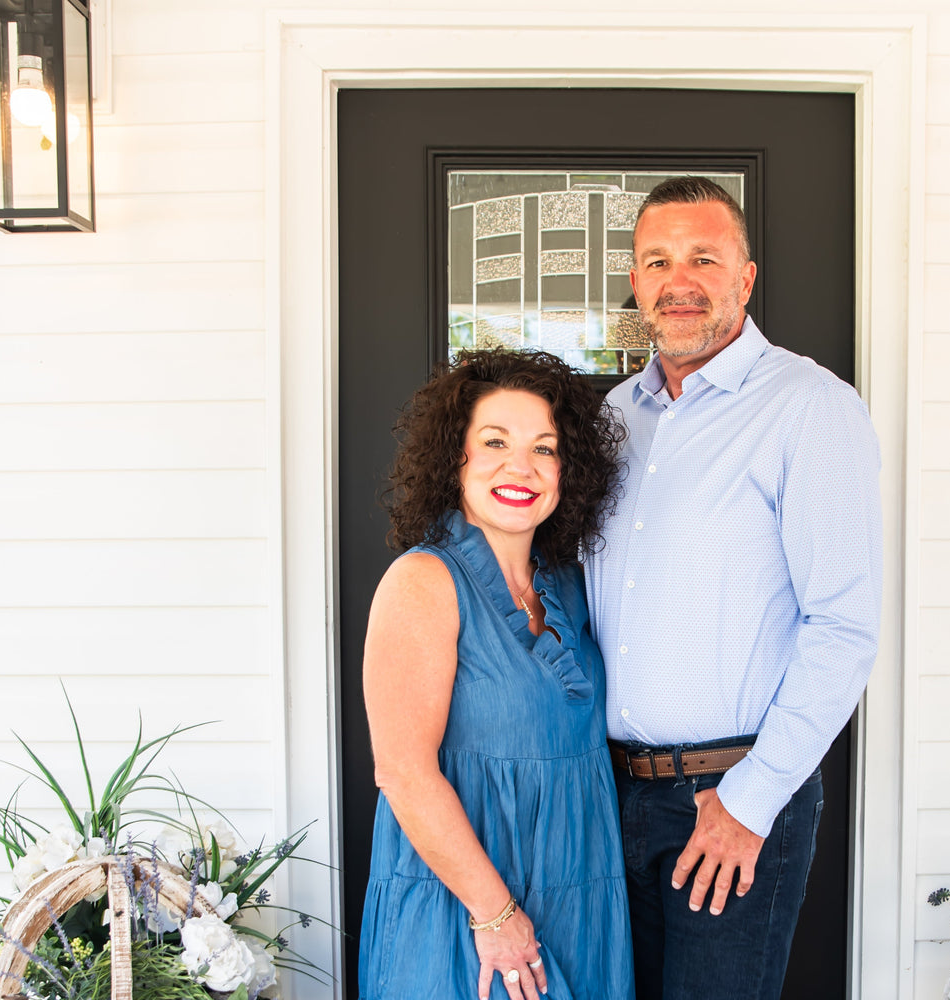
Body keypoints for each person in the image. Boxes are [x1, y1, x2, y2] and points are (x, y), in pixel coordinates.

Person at [586, 176, 883, 1000]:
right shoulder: (614, 418)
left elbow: (844, 626)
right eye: (657, 261)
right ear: (638, 280)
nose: (678, 281)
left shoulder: (809, 408)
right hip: (610, 798)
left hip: (733, 795)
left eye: (703, 258)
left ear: (745, 279)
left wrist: (749, 802)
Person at [358, 349, 634, 1000]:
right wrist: (495, 913)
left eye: (545, 448)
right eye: (495, 442)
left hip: (577, 900)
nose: (522, 466)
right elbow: (401, 770)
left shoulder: (568, 584)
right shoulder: (424, 582)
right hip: (467, 908)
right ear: (454, 458)